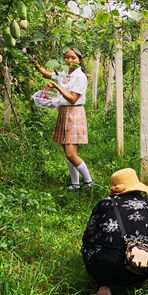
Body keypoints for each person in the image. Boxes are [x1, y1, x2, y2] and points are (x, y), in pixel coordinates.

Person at [31, 47, 94, 190]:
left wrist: (57, 87)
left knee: (71, 153)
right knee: (68, 152)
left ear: (80, 59)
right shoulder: (64, 73)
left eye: (73, 57)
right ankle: (75, 184)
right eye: (67, 57)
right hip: (64, 113)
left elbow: (72, 98)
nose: (70, 60)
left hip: (74, 113)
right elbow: (47, 74)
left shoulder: (80, 77)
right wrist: (36, 65)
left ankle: (89, 182)